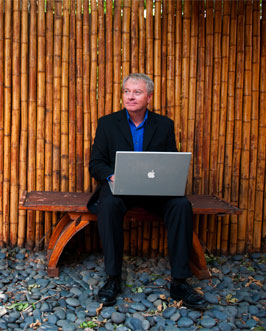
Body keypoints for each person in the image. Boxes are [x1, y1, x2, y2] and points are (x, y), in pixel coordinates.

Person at [87, 73, 206, 309]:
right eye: (126, 91)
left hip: (155, 190)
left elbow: (170, 162)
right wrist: (112, 176)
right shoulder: (107, 123)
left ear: (149, 97)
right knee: (108, 205)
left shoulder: (164, 125)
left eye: (137, 92)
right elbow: (96, 163)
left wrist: (167, 178)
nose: (130, 96)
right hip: (120, 189)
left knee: (182, 205)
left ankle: (179, 282)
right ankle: (113, 279)